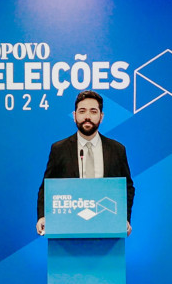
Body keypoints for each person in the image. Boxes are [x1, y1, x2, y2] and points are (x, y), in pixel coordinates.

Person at [36, 90, 133, 235]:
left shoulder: (117, 149)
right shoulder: (59, 149)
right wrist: (43, 216)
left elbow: (127, 187)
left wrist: (124, 219)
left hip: (106, 224)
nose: (87, 117)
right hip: (68, 226)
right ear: (74, 116)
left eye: (93, 111)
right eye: (82, 111)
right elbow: (46, 187)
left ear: (101, 117)